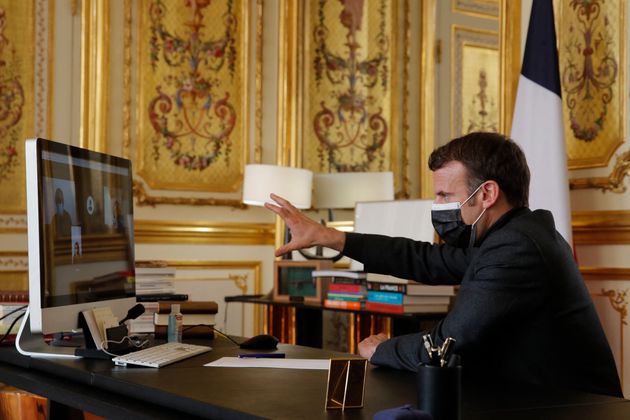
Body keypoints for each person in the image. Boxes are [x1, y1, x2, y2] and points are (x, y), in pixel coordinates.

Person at [265, 132, 622, 397]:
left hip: (569, 408)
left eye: (445, 196)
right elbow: (424, 260)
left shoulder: (516, 247)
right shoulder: (514, 235)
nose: (438, 206)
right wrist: (330, 237)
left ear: (486, 194)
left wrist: (381, 349)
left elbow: (445, 346)